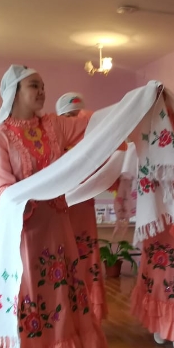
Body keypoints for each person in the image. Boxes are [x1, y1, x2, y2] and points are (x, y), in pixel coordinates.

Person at [0, 65, 107, 348]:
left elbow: (94, 123)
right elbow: (1, 188)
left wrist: (138, 101)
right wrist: (26, 199)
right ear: (14, 92)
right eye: (33, 86)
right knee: (26, 300)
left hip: (56, 229)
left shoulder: (54, 125)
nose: (41, 91)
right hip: (23, 233)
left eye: (42, 86)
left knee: (56, 298)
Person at [131, 164, 174, 348]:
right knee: (157, 274)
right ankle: (159, 323)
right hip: (157, 225)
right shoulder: (149, 166)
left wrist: (172, 196)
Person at [55, 92, 108, 321]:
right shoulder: (54, 140)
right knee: (63, 255)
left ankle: (89, 312)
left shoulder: (91, 140)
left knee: (86, 254)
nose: (75, 121)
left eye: (78, 115)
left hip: (84, 206)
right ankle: (63, 310)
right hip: (60, 205)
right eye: (69, 116)